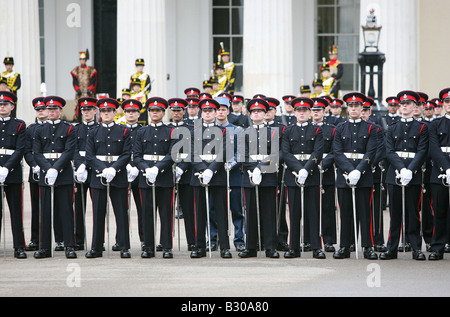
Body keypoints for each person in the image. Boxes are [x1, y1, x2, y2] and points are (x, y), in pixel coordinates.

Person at [380, 91, 429, 261]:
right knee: (395, 213)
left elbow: (422, 150)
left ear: (415, 107)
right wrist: (401, 169)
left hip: (413, 175)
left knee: (413, 213)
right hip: (394, 173)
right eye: (403, 104)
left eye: (408, 104)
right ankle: (391, 248)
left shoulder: (422, 127)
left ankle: (416, 247)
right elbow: (389, 150)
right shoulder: (392, 127)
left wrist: (411, 170)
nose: (405, 106)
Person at [332, 92, 378, 260]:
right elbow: (337, 152)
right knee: (345, 213)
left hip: (363, 175)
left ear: (361, 108)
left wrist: (359, 170)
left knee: (365, 212)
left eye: (356, 106)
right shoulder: (339, 128)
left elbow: (371, 151)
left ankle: (368, 246)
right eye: (350, 106)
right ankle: (344, 246)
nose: (353, 109)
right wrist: (349, 171)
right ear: (347, 108)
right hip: (345, 176)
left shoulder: (371, 128)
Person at [85, 98, 132, 259]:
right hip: (99, 176)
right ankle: (96, 247)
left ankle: (124, 247)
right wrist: (103, 169)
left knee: (121, 213)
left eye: (109, 111)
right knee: (98, 213)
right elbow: (89, 156)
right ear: (100, 113)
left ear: (114, 113)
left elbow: (126, 154)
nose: (106, 114)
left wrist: (114, 168)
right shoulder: (92, 132)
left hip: (118, 176)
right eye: (103, 111)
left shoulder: (124, 131)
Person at [33, 96, 77, 259]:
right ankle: (44, 247)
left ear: (60, 111)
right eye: (49, 109)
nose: (51, 112)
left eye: (54, 109)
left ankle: (69, 246)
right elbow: (37, 152)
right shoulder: (39, 129)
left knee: (66, 211)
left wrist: (56, 169)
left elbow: (69, 151)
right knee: (45, 212)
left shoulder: (68, 129)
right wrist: (47, 169)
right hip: (46, 174)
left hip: (63, 173)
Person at [281, 97, 326, 259]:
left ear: (309, 112)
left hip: (311, 175)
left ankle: (316, 247)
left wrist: (306, 170)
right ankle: (293, 247)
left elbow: (318, 152)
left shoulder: (316, 130)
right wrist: (298, 169)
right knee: (294, 213)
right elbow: (285, 153)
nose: (302, 113)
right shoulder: (287, 130)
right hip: (293, 176)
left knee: (313, 213)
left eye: (305, 111)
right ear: (294, 112)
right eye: (299, 111)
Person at [190, 98, 232, 258]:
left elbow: (224, 152)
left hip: (218, 175)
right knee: (199, 212)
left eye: (211, 111)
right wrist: (202, 170)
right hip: (199, 176)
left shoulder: (223, 131)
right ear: (202, 113)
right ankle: (199, 246)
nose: (207, 113)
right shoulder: (194, 132)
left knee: (221, 212)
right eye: (205, 111)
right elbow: (192, 154)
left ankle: (224, 247)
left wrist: (211, 170)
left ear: (215, 113)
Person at [133, 97, 175, 258]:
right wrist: (146, 169)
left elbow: (172, 154)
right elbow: (137, 156)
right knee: (147, 214)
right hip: (146, 178)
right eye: (152, 110)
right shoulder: (142, 132)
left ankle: (166, 247)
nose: (155, 113)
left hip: (164, 178)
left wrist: (157, 168)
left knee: (166, 214)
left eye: (158, 110)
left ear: (163, 113)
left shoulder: (171, 131)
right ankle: (148, 247)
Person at [238, 98, 279, 258]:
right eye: (254, 112)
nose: (256, 114)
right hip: (249, 176)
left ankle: (270, 247)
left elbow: (275, 154)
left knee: (269, 212)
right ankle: (251, 247)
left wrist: (260, 169)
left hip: (268, 176)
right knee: (251, 213)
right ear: (250, 114)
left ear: (264, 114)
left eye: (260, 111)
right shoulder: (244, 133)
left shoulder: (273, 132)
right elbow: (243, 155)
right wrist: (253, 169)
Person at [214, 97, 245, 252]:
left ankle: (239, 239)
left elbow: (240, 152)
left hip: (232, 175)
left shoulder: (237, 130)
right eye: (218, 109)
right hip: (214, 175)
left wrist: (232, 163)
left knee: (237, 209)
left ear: (228, 111)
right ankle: (214, 238)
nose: (220, 112)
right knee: (214, 209)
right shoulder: (208, 130)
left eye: (223, 109)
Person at [0, 91, 26, 258]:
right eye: (0, 104)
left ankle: (19, 247)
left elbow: (20, 149)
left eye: (5, 104)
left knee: (16, 211)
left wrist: (7, 168)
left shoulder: (19, 125)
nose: (2, 107)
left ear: (12, 107)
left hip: (13, 173)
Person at [167, 98, 196, 251]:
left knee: (189, 210)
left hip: (186, 174)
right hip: (167, 173)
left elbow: (192, 151)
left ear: (184, 112)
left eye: (179, 110)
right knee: (166, 210)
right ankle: (164, 241)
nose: (176, 113)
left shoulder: (191, 129)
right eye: (174, 110)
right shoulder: (166, 128)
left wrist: (181, 168)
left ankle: (192, 240)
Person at [310, 97, 337, 252]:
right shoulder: (305, 128)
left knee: (327, 207)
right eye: (313, 110)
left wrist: (323, 164)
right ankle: (309, 239)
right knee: (310, 207)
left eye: (319, 110)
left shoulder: (332, 129)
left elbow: (335, 151)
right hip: (310, 171)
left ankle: (328, 240)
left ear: (324, 111)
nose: (316, 113)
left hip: (326, 171)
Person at [361, 100, 387, 252]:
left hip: (373, 172)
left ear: (370, 112)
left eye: (366, 110)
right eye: (361, 110)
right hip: (355, 173)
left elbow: (380, 149)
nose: (363, 113)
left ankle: (377, 240)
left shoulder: (376, 129)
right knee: (355, 210)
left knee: (375, 209)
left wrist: (368, 165)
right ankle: (352, 242)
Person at [73, 97, 99, 251]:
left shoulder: (100, 128)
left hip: (95, 170)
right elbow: (74, 149)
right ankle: (79, 240)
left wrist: (87, 164)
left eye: (89, 109)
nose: (86, 112)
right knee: (79, 208)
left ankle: (98, 241)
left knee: (98, 207)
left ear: (95, 111)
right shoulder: (76, 129)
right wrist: (79, 166)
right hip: (80, 172)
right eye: (84, 110)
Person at [427, 88, 450, 260]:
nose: (449, 105)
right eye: (447, 102)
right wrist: (447, 169)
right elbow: (434, 148)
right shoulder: (435, 124)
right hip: (439, 172)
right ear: (442, 104)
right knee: (439, 211)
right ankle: (437, 247)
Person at [24, 97, 48, 252]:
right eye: (38, 110)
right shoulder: (30, 129)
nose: (40, 112)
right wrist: (34, 165)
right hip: (37, 172)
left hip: (53, 168)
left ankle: (59, 239)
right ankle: (35, 239)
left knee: (57, 207)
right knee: (36, 208)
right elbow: (27, 150)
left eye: (43, 109)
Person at [264, 97, 289, 251]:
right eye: (264, 110)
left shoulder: (282, 128)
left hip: (277, 171)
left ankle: (281, 237)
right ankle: (263, 238)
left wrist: (270, 163)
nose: (267, 112)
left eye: (270, 109)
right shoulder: (255, 128)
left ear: (275, 111)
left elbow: (283, 150)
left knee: (278, 205)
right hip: (259, 171)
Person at [120, 99, 144, 248]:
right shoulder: (119, 130)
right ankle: (120, 239)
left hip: (140, 173)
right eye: (128, 112)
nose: (131, 114)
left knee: (142, 208)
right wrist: (127, 165)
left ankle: (144, 239)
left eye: (134, 112)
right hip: (123, 171)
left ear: (138, 113)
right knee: (122, 208)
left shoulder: (143, 130)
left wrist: (135, 166)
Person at [70, 51, 98, 122]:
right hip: (80, 92)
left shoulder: (90, 69)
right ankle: (79, 120)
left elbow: (93, 80)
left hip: (88, 92)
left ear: (86, 60)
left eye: (84, 59)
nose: (82, 61)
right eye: (81, 59)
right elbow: (75, 80)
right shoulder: (76, 69)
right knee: (78, 106)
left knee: (90, 105)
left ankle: (92, 120)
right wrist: (77, 89)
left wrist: (90, 88)